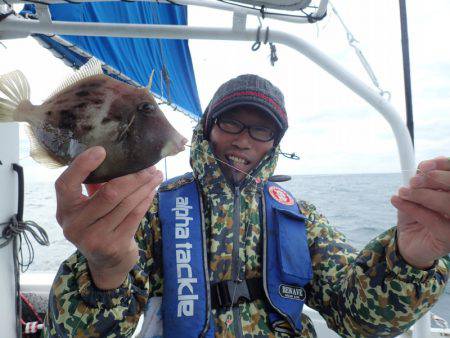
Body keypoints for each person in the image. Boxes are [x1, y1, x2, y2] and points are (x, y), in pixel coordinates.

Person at [44, 74, 449, 338]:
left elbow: (358, 317)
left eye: (261, 130)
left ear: (275, 143)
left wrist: (410, 259)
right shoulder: (150, 210)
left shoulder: (299, 217)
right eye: (231, 123)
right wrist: (102, 271)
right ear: (208, 128)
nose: (243, 140)